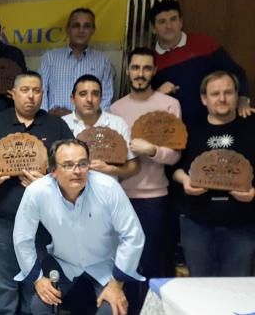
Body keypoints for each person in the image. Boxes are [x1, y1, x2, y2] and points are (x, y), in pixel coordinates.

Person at [0, 71, 74, 314]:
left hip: (42, 224)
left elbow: (72, 167)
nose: (31, 96)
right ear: (13, 93)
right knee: (3, 288)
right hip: (0, 222)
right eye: (25, 90)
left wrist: (48, 181)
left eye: (36, 90)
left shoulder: (57, 126)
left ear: (42, 94)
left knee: (38, 288)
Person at [14, 139, 145, 315]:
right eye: (67, 165)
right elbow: (22, 238)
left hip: (106, 265)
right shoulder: (37, 192)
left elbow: (133, 236)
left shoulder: (108, 188)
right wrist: (38, 280)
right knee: (39, 306)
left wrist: (116, 284)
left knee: (112, 310)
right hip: (63, 263)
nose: (76, 171)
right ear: (53, 170)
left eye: (82, 164)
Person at [110, 47, 181, 312]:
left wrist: (151, 150)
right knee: (124, 265)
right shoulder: (116, 108)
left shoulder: (169, 105)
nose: (140, 74)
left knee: (153, 263)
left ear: (154, 71)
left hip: (154, 198)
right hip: (121, 198)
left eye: (146, 68)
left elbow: (174, 157)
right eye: (135, 68)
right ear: (128, 70)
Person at [172, 71, 255, 276]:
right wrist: (185, 180)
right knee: (202, 287)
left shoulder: (252, 125)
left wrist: (254, 191)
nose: (222, 98)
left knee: (237, 289)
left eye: (228, 92)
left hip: (242, 224)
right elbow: (172, 167)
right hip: (197, 223)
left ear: (237, 95)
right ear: (203, 99)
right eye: (215, 93)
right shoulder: (188, 129)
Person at [149, 0, 252, 126]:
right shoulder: (149, 60)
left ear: (181, 22)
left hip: (214, 124)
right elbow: (144, 100)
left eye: (173, 19)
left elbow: (235, 72)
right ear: (153, 28)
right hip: (173, 131)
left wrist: (243, 99)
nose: (169, 26)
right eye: (162, 21)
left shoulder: (205, 44)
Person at [39, 8, 115, 114]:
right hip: (55, 123)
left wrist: (88, 121)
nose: (81, 30)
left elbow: (106, 100)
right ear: (67, 29)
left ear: (93, 30)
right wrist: (46, 119)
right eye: (76, 25)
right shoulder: (50, 58)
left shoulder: (103, 61)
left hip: (88, 126)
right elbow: (40, 92)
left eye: (87, 26)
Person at [62, 74, 139, 180]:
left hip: (107, 192)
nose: (89, 99)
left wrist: (111, 169)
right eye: (83, 94)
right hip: (71, 193)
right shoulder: (61, 124)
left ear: (101, 98)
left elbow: (134, 166)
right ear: (73, 99)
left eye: (95, 94)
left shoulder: (118, 123)